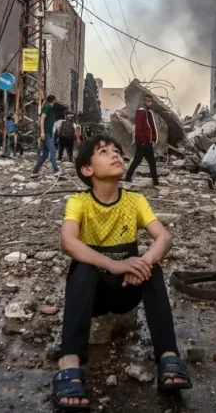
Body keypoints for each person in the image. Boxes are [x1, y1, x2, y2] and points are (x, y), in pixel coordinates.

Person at [52, 135, 191, 409]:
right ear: (87, 170)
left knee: (154, 269)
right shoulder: (79, 201)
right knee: (84, 267)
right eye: (104, 152)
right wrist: (115, 264)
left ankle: (167, 355)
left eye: (117, 150)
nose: (115, 155)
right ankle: (69, 360)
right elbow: (68, 242)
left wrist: (143, 261)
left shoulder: (135, 201)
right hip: (93, 296)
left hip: (127, 290)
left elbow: (164, 237)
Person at [125, 94, 161, 185]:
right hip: (142, 142)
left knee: (151, 162)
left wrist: (152, 139)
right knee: (137, 160)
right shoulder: (141, 111)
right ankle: (128, 177)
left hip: (147, 142)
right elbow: (139, 127)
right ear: (144, 102)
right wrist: (142, 141)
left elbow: (151, 127)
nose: (150, 103)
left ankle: (155, 181)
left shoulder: (148, 112)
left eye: (151, 101)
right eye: (148, 101)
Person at [31, 95, 60, 178]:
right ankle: (56, 170)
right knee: (53, 150)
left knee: (45, 154)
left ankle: (34, 172)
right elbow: (42, 119)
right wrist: (42, 132)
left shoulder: (50, 108)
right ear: (54, 100)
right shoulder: (47, 107)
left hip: (48, 133)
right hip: (46, 133)